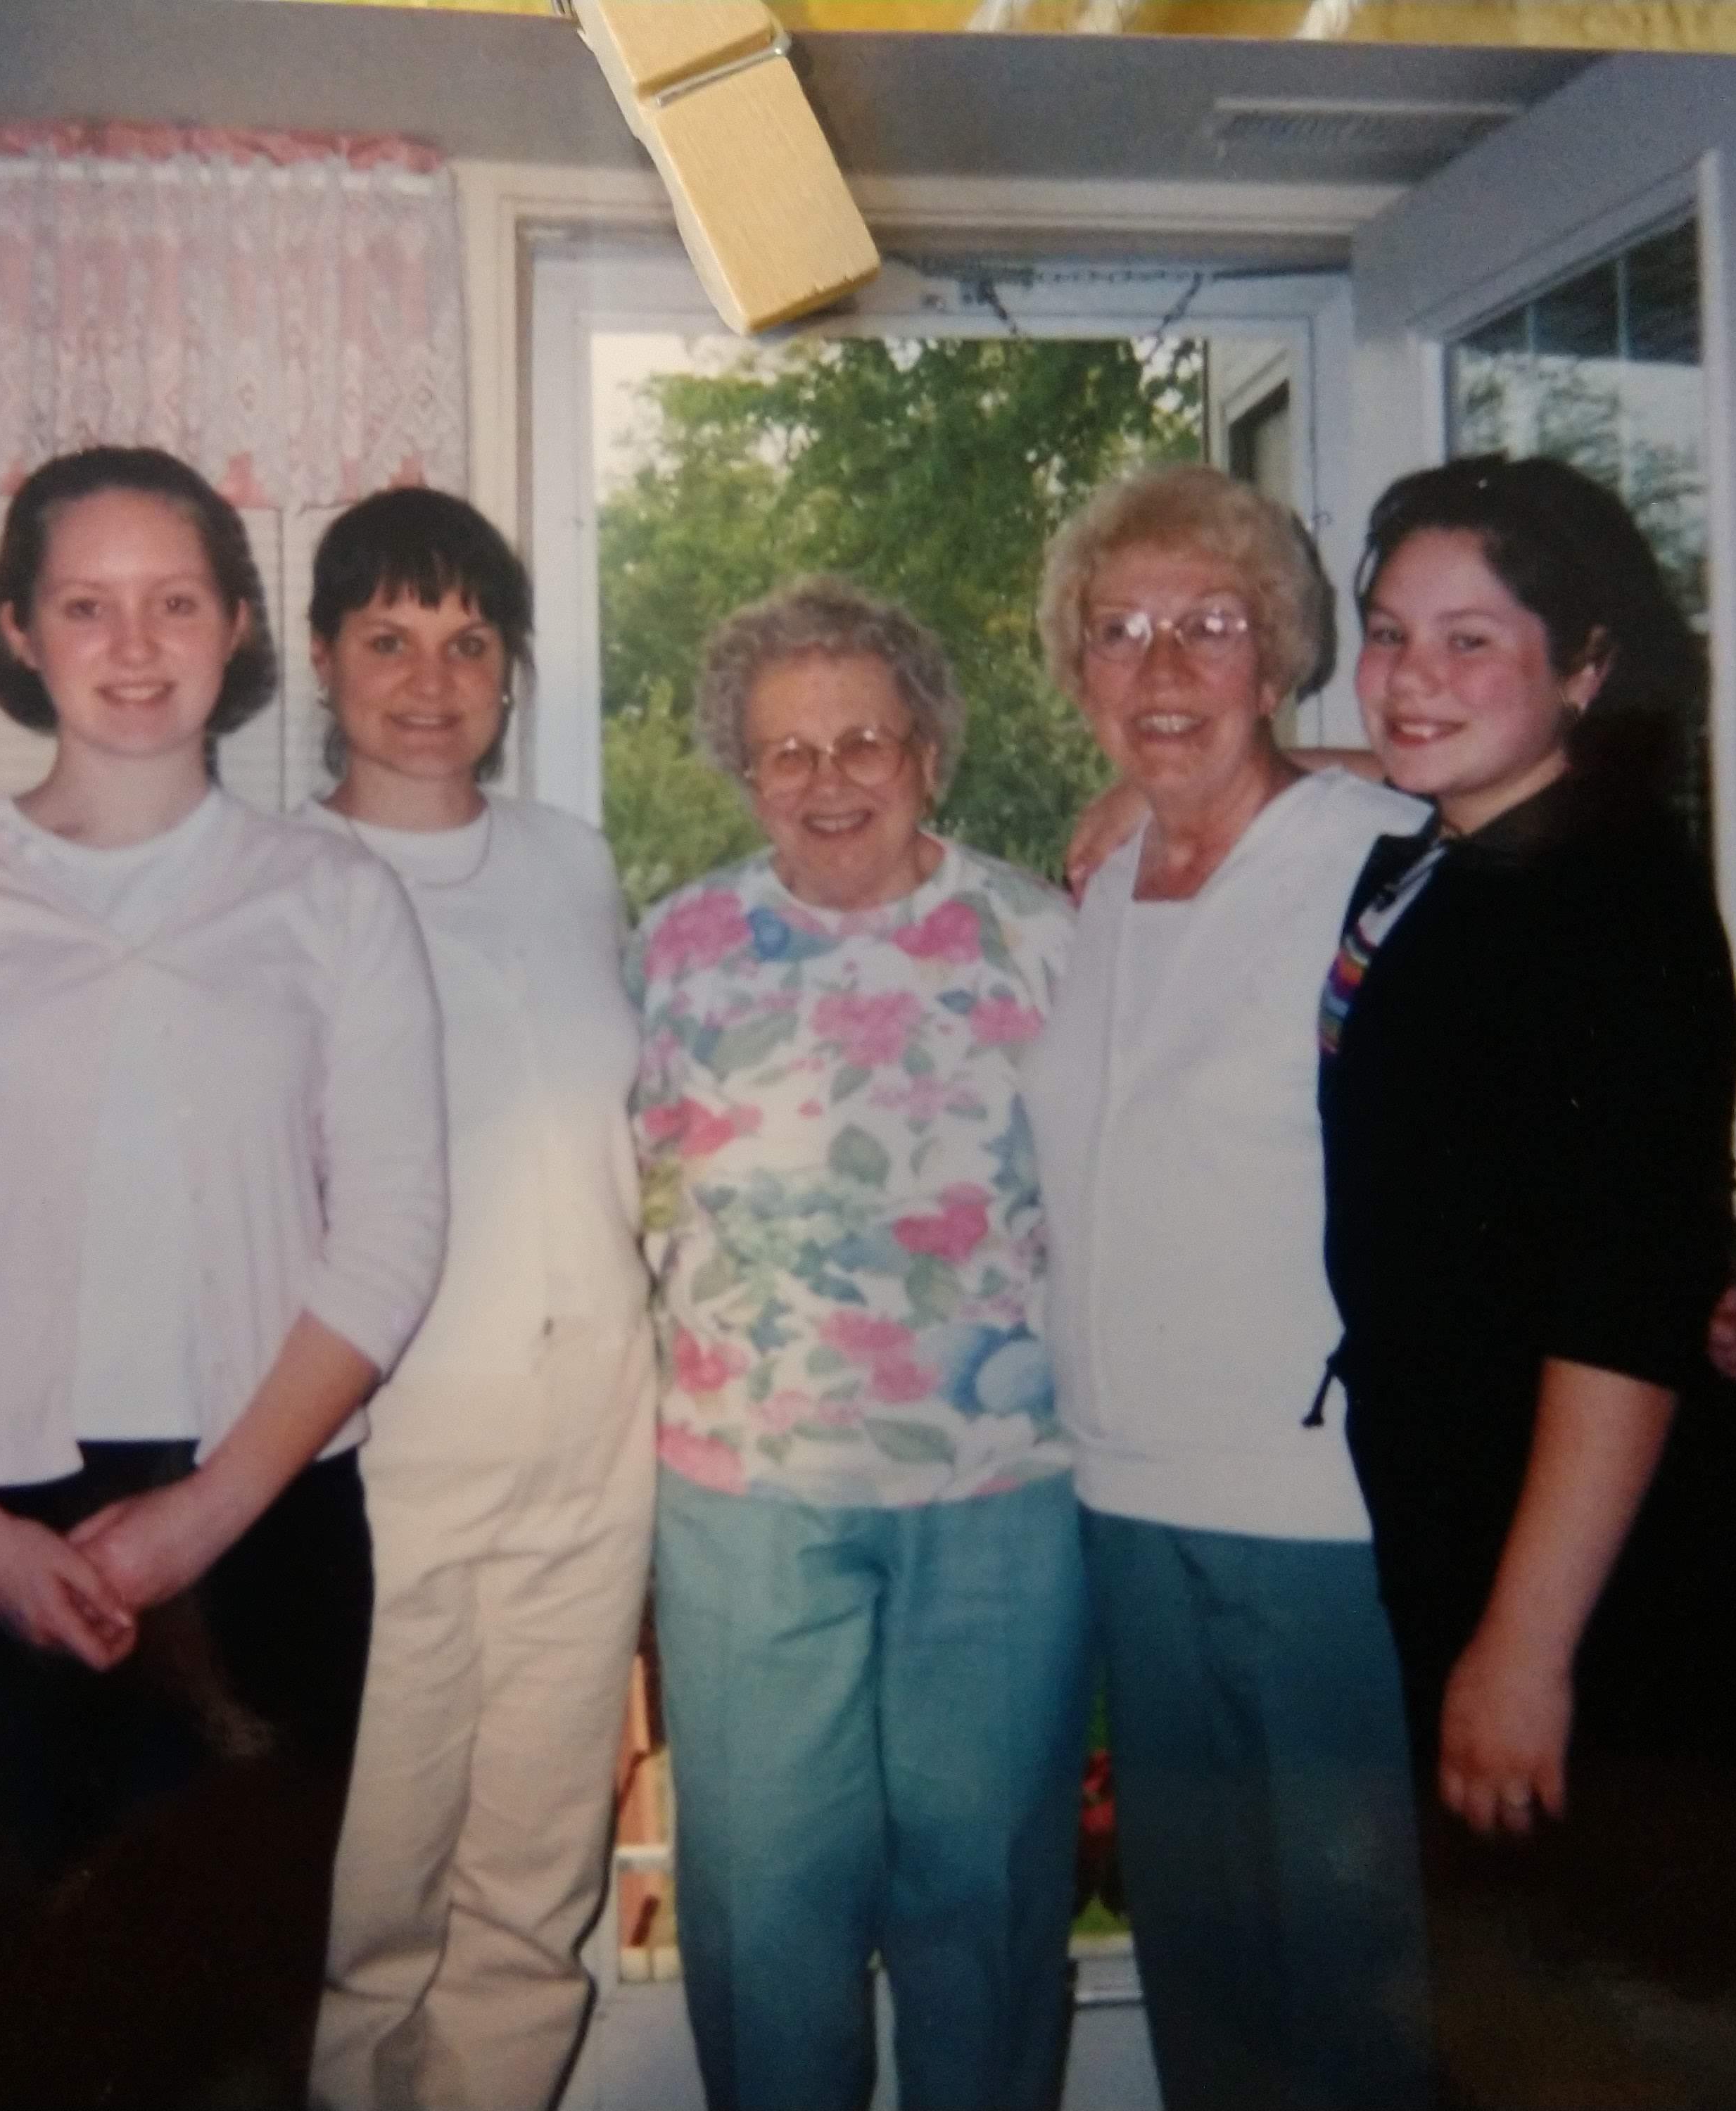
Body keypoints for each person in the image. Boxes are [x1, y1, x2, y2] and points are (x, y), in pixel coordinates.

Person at [0, 445, 446, 2108]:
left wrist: (205, 1518)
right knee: (7, 2024)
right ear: (18, 629)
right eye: (85, 604)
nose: (131, 644)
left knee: (228, 2041)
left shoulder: (331, 897)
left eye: (172, 603)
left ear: (233, 630)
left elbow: (390, 1235)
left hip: (257, 1546)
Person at [1319, 455, 1736, 2095]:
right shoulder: (1459, 853)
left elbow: (1618, 1312)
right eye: (1388, 637)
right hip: (1496, 1543)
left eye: (1471, 642)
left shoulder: (1601, 898)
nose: (1409, 682)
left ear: (1586, 663)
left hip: (1617, 1602)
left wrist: (1522, 1647)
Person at [629, 576, 1089, 2111]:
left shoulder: (1037, 935)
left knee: (989, 1902)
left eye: (861, 742)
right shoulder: (678, 946)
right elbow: (625, 1200)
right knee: (767, 1914)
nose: (826, 782)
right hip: (747, 1497)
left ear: (927, 752)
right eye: (785, 755)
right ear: (743, 773)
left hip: (999, 1498)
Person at [1020, 463, 1434, 2111]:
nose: (1163, 668)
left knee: (1352, 1996)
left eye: (1209, 627)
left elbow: (1554, 841)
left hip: (1316, 1511)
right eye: (1118, 633)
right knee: (1208, 1990)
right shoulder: (1100, 886)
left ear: (1278, 655)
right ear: (1075, 674)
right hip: (1123, 1498)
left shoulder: (1378, 856)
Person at [298, 488, 657, 2111]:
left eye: (467, 641)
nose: (429, 680)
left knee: (529, 1907)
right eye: (388, 638)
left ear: (510, 673)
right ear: (322, 660)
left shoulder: (575, 870)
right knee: (363, 1911)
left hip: (593, 1461)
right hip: (377, 1473)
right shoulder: (267, 886)